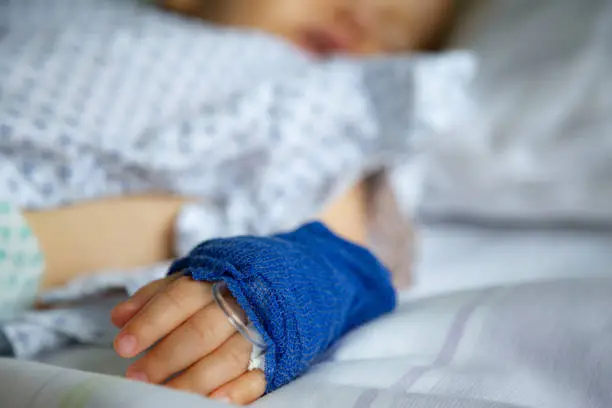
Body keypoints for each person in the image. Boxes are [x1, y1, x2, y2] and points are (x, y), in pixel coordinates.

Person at [0, 0, 453, 404]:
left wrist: (276, 289)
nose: (360, 15)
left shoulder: (327, 100)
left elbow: (342, 257)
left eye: (396, 32)